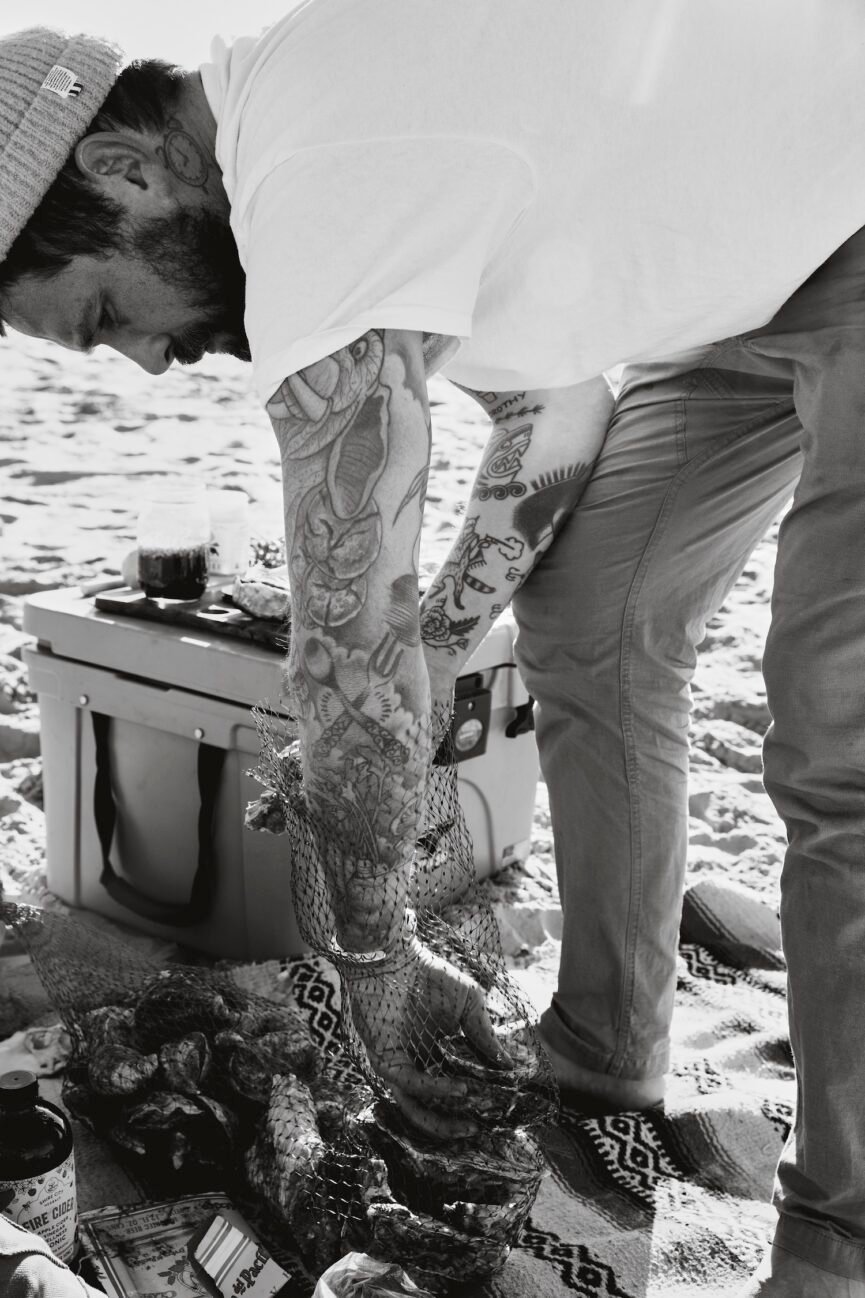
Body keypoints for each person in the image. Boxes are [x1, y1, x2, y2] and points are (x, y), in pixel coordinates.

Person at [0, 5, 864, 1294]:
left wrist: (373, 958)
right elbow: (553, 411)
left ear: (123, 170)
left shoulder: (320, 170)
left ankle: (840, 1232)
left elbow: (346, 661)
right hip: (726, 304)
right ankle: (604, 1054)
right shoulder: (347, 173)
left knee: (835, 730)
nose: (148, 360)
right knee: (592, 631)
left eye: (105, 313)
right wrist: (439, 639)